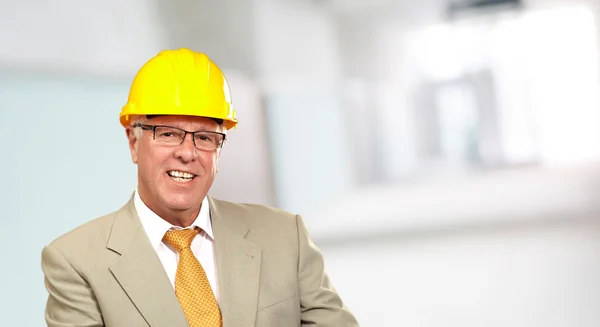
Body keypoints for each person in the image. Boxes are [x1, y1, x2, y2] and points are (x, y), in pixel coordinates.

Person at [41, 48, 359, 327]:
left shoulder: (286, 236)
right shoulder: (76, 262)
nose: (188, 152)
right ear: (133, 142)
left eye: (205, 138)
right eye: (167, 133)